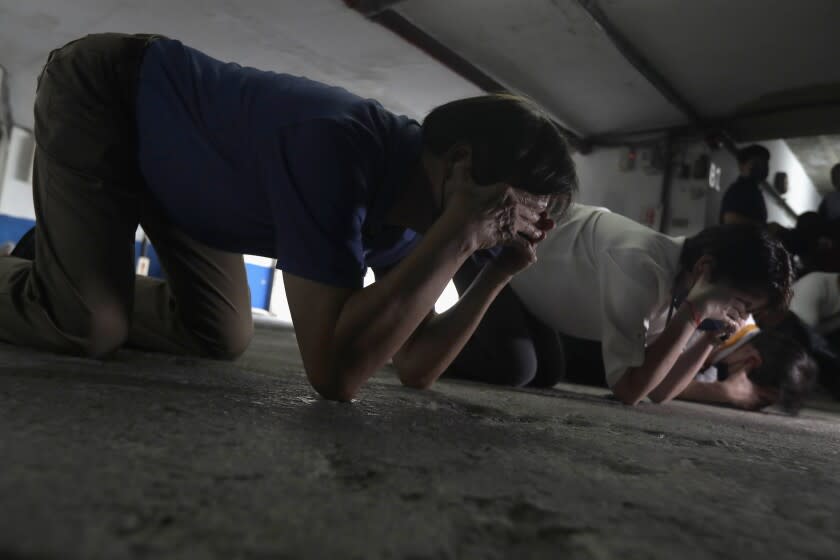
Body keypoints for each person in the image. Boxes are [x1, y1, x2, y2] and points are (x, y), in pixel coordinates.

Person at [0, 34, 578, 402]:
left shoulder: (412, 220)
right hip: (109, 95)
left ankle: (65, 267)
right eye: (513, 207)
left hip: (188, 185)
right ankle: (66, 281)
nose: (514, 224)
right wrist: (459, 235)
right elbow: (332, 374)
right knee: (87, 326)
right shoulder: (337, 147)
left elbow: (415, 365)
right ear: (461, 164)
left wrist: (496, 272)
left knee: (219, 335)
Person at [444, 204, 793, 406]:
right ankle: (418, 335)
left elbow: (657, 391)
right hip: (495, 258)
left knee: (546, 373)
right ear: (705, 268)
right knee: (515, 369)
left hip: (531, 293)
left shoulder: (679, 285)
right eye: (743, 303)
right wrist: (695, 314)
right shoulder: (641, 265)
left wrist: (708, 337)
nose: (743, 316)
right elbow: (628, 391)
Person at [678, 323, 817, 414]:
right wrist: (717, 391)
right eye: (758, 400)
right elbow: (657, 381)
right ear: (751, 362)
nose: (748, 406)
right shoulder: (701, 330)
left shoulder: (730, 341)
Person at [719, 144, 770, 226]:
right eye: (756, 163)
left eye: (764, 163)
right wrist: (763, 227)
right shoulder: (738, 189)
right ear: (741, 166)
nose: (762, 167)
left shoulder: (754, 191)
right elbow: (730, 219)